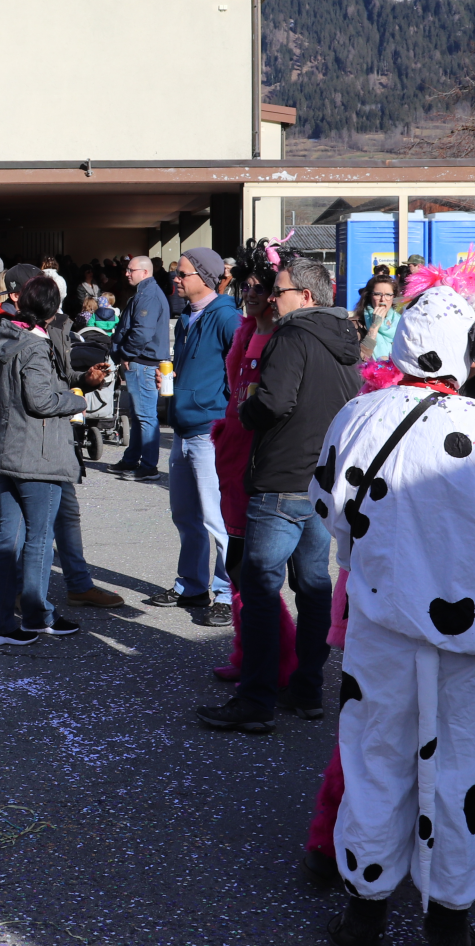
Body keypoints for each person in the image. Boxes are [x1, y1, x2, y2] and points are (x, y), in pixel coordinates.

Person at [303, 284, 475, 946]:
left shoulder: (357, 415)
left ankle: (365, 910)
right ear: (469, 349)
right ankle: (449, 919)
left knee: (374, 759)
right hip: (471, 638)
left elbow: (327, 506)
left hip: (379, 623)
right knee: (466, 771)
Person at [198, 255, 358, 733]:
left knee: (260, 588)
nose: (271, 297)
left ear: (305, 296)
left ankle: (256, 701)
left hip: (281, 480)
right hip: (320, 482)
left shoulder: (292, 335)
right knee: (313, 586)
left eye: (279, 290)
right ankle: (306, 691)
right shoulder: (344, 338)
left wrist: (246, 410)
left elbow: (273, 402)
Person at [0, 275, 105, 646]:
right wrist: (78, 399)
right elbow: (41, 400)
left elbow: (35, 387)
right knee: (38, 539)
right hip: (37, 453)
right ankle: (36, 615)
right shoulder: (34, 344)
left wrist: (81, 380)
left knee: (9, 539)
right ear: (53, 308)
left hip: (10, 448)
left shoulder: (9, 334)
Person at [207, 239, 297, 682]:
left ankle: (280, 664)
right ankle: (249, 656)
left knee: (257, 573)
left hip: (267, 466)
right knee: (238, 567)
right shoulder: (245, 332)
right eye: (247, 285)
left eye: (262, 286)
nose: (252, 293)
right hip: (234, 462)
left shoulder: (285, 338)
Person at [149, 247, 240, 624]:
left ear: (205, 277)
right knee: (185, 515)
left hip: (209, 431)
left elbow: (241, 375)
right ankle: (192, 585)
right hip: (183, 429)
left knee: (218, 519)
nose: (176, 278)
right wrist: (173, 384)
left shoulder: (227, 318)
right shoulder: (187, 317)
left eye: (182, 273)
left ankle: (226, 593)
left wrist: (222, 413)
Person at [108, 254, 175, 481]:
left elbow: (142, 332)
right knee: (139, 416)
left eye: (131, 270)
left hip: (143, 363)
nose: (127, 273)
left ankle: (148, 467)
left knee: (145, 416)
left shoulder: (149, 296)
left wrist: (127, 353)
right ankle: (132, 459)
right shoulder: (146, 293)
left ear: (145, 272)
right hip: (141, 361)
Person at [355, 274, 398, 361]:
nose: (383, 299)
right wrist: (374, 326)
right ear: (369, 296)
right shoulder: (356, 324)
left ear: (393, 297)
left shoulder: (401, 321)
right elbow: (359, 358)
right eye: (377, 294)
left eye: (388, 295)